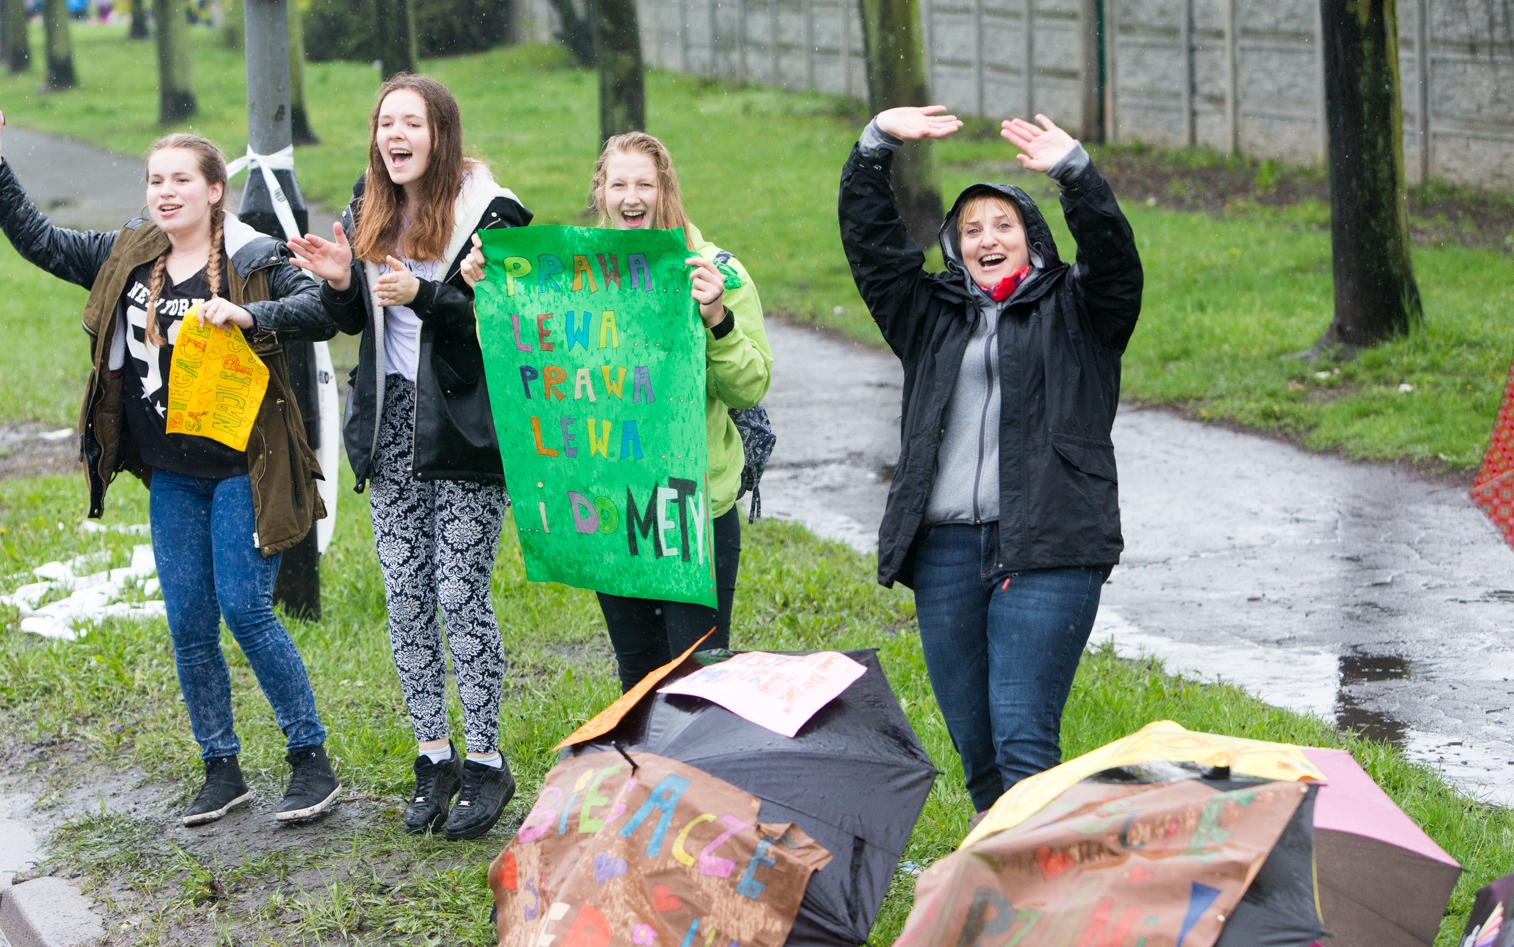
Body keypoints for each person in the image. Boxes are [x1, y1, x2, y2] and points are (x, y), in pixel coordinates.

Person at [0, 123, 343, 826]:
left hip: (245, 471)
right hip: (173, 474)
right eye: (155, 180)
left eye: (181, 180)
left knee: (245, 608)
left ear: (215, 189)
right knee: (189, 622)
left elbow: (321, 309)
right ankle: (220, 767)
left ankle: (310, 759)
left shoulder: (254, 257)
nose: (165, 192)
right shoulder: (130, 256)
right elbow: (44, 242)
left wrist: (248, 311)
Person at [839, 107, 1143, 813]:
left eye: (1002, 224)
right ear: (956, 246)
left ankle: (1037, 907)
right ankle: (998, 895)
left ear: (1032, 238)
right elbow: (873, 248)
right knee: (978, 753)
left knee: (1022, 741)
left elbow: (1116, 258)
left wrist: (1076, 173)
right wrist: (875, 144)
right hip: (945, 552)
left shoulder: (1081, 310)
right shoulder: (930, 311)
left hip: (1049, 546)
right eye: (971, 229)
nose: (986, 238)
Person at [288, 75, 531, 840]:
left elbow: (512, 318)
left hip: (466, 427)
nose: (395, 136)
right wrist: (337, 285)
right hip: (391, 422)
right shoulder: (368, 206)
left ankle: (488, 760)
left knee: (459, 592)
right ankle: (435, 756)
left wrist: (424, 297)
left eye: (411, 123)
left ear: (440, 133)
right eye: (385, 123)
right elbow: (357, 316)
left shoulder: (492, 212)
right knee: (405, 593)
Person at [463, 132, 772, 691]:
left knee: (697, 674)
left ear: (666, 190)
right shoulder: (572, 278)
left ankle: (696, 778)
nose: (632, 197)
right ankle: (650, 781)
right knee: (637, 671)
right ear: (601, 192)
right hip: (612, 502)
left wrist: (717, 318)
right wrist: (491, 295)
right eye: (619, 184)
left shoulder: (715, 271)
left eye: (645, 184)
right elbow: (523, 361)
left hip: (691, 505)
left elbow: (749, 387)